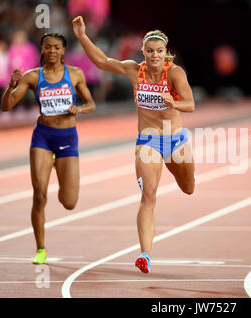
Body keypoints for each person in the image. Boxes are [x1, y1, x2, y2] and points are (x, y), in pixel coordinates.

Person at [72, 16, 195, 274]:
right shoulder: (133, 70)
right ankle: (145, 254)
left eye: (159, 51)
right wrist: (83, 36)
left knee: (188, 188)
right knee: (148, 196)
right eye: (149, 51)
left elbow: (190, 104)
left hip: (175, 140)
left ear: (166, 52)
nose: (154, 55)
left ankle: (147, 250)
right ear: (143, 52)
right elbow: (103, 61)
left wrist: (173, 103)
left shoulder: (174, 73)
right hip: (148, 141)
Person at [1, 33, 96, 264]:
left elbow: (91, 104)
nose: (52, 51)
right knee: (39, 195)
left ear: (63, 51)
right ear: (42, 50)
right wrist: (10, 86)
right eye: (47, 47)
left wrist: (79, 110)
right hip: (43, 137)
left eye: (56, 47)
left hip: (67, 138)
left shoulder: (74, 74)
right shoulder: (32, 76)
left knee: (69, 202)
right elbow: (7, 106)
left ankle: (58, 163)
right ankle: (40, 249)